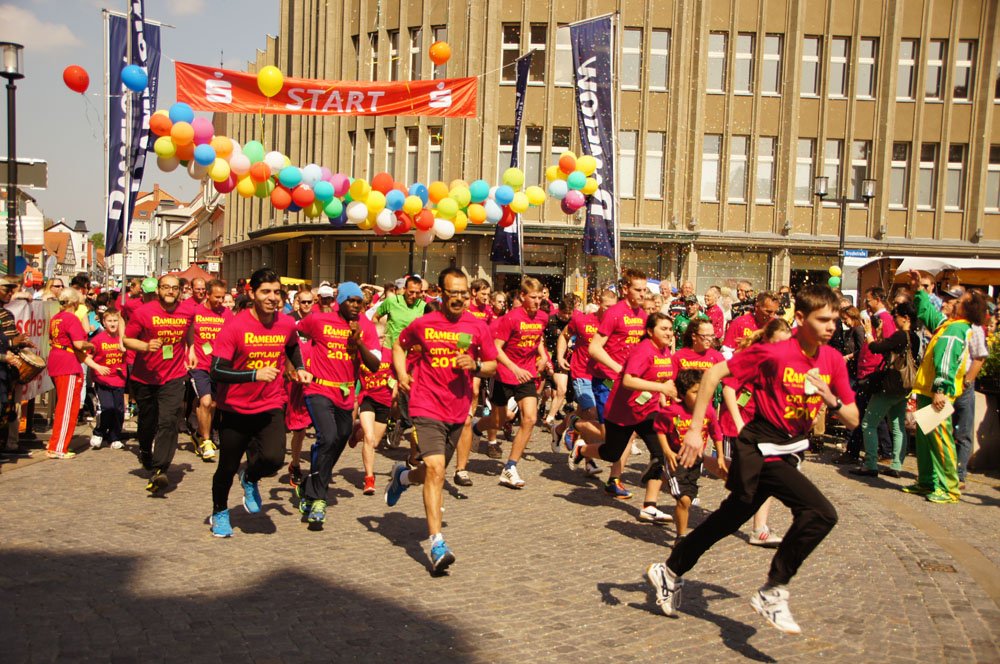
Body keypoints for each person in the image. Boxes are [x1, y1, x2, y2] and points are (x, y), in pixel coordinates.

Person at [645, 285, 858, 635]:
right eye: (823, 320)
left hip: (789, 449)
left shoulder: (832, 360)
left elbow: (852, 418)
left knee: (728, 519)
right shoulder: (773, 352)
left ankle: (668, 571)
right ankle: (774, 589)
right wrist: (695, 429)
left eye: (834, 320)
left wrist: (830, 398)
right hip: (759, 447)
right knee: (820, 512)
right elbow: (714, 375)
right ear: (800, 318)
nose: (831, 326)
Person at [384, 267, 498, 573]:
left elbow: (492, 365)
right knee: (435, 469)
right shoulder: (424, 323)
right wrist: (402, 374)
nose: (458, 299)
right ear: (441, 293)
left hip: (457, 409)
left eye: (463, 293)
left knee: (433, 473)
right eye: (453, 293)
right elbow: (399, 345)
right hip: (426, 403)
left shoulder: (477, 326)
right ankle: (437, 544)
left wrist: (475, 365)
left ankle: (403, 477)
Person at [208, 268, 310, 537]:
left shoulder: (285, 323)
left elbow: (292, 346)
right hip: (235, 408)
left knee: (274, 459)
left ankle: (250, 477)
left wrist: (299, 368)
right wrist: (254, 374)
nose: (272, 297)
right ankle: (220, 512)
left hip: (270, 403)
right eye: (265, 292)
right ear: (252, 293)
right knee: (227, 467)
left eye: (276, 292)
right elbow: (216, 370)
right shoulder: (235, 326)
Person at [571, 313, 678, 522]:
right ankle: (581, 450)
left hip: (648, 410)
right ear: (650, 331)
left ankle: (649, 506)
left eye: (670, 329)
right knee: (612, 453)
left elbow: (663, 378)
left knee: (660, 454)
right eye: (664, 329)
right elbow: (628, 381)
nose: (669, 333)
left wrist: (665, 396)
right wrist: (661, 388)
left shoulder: (665, 351)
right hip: (622, 410)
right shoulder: (643, 350)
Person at [295, 282, 381, 527]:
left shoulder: (365, 326)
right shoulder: (319, 320)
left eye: (359, 302)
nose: (355, 306)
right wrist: (296, 367)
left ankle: (309, 483)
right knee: (328, 436)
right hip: (318, 389)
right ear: (339, 302)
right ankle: (318, 499)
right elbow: (291, 337)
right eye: (350, 301)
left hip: (345, 393)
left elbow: (374, 365)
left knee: (341, 437)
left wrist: (358, 341)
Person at [904, 272, 988, 503]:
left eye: (958, 301)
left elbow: (947, 360)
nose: (951, 302)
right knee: (926, 440)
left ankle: (949, 488)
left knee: (941, 441)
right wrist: (918, 290)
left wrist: (940, 389)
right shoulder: (948, 325)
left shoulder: (957, 330)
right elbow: (928, 314)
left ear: (966, 309)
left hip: (938, 393)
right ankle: (927, 481)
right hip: (927, 390)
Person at [719, 318, 793, 547]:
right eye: (778, 343)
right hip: (738, 426)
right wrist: (739, 423)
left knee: (765, 477)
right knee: (733, 473)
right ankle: (695, 462)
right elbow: (728, 389)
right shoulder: (749, 356)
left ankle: (759, 528)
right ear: (767, 339)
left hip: (762, 427)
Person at [123, 275, 194, 494]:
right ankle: (145, 450)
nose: (170, 291)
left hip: (174, 376)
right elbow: (126, 340)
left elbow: (189, 329)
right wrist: (145, 346)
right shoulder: (143, 312)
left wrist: (191, 349)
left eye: (174, 288)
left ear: (179, 291)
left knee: (169, 420)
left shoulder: (187, 312)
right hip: (145, 377)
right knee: (148, 421)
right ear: (158, 290)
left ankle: (160, 469)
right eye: (166, 287)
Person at [588, 269, 650, 499]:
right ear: (625, 289)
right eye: (638, 290)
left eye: (644, 290)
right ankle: (578, 431)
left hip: (629, 383)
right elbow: (594, 348)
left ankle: (614, 479)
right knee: (609, 434)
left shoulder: (643, 316)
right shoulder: (614, 313)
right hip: (606, 379)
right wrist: (617, 369)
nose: (642, 294)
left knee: (628, 432)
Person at [485, 277, 549, 489]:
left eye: (540, 297)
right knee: (498, 420)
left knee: (529, 419)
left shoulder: (542, 317)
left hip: (527, 373)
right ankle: (476, 428)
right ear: (522, 296)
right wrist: (514, 368)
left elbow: (538, 339)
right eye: (533, 297)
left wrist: (543, 356)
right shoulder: (511, 318)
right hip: (504, 373)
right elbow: (496, 348)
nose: (537, 301)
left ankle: (510, 467)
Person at [850, 301, 921, 479]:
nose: (894, 320)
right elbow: (890, 353)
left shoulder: (900, 335)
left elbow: (875, 348)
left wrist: (869, 332)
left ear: (905, 318)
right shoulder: (915, 337)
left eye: (896, 316)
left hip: (890, 386)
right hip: (903, 387)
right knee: (897, 426)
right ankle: (896, 465)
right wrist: (881, 335)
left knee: (868, 423)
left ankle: (870, 464)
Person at [656, 369, 726, 536]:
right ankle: (681, 537)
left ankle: (658, 474)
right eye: (695, 392)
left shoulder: (708, 411)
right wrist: (667, 451)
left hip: (696, 460)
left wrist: (720, 457)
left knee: (689, 496)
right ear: (682, 393)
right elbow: (659, 429)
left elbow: (716, 434)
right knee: (684, 500)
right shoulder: (671, 411)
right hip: (676, 459)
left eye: (703, 392)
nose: (701, 397)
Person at [554, 290, 617, 470]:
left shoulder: (616, 324)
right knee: (592, 413)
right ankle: (589, 460)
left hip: (604, 376)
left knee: (584, 413)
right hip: (582, 373)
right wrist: (560, 357)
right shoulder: (582, 320)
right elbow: (564, 336)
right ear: (598, 302)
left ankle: (560, 428)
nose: (610, 311)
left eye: (613, 307)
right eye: (607, 306)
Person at [186, 279, 232, 461]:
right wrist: (189, 353)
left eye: (222, 297)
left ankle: (199, 434)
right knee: (205, 402)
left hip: (218, 366)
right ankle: (206, 441)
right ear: (207, 295)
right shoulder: (196, 312)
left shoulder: (227, 314)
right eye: (217, 297)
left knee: (213, 404)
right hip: (199, 365)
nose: (220, 301)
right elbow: (187, 334)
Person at [45, 288, 94, 459]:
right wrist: (92, 345)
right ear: (74, 302)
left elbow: (51, 339)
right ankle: (58, 446)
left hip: (56, 360)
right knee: (68, 407)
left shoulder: (56, 318)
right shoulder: (71, 318)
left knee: (63, 405)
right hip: (68, 363)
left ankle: (55, 443)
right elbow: (79, 343)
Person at [85, 309, 127, 451]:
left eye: (115, 321)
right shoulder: (98, 339)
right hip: (102, 379)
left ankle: (115, 437)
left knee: (119, 410)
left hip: (119, 379)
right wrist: (98, 367)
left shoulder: (123, 338)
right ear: (103, 322)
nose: (112, 324)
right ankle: (99, 432)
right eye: (109, 321)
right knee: (107, 407)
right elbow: (87, 358)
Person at [357, 347, 396, 495]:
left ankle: (357, 432)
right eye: (376, 336)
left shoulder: (390, 354)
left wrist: (397, 386)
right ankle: (369, 478)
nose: (379, 339)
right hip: (367, 399)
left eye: (382, 337)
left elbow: (400, 372)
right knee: (369, 438)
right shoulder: (362, 354)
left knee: (374, 443)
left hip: (384, 402)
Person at [722, 291, 779, 359]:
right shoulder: (740, 323)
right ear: (757, 307)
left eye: (775, 312)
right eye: (768, 312)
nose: (772, 315)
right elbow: (726, 351)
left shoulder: (777, 326)